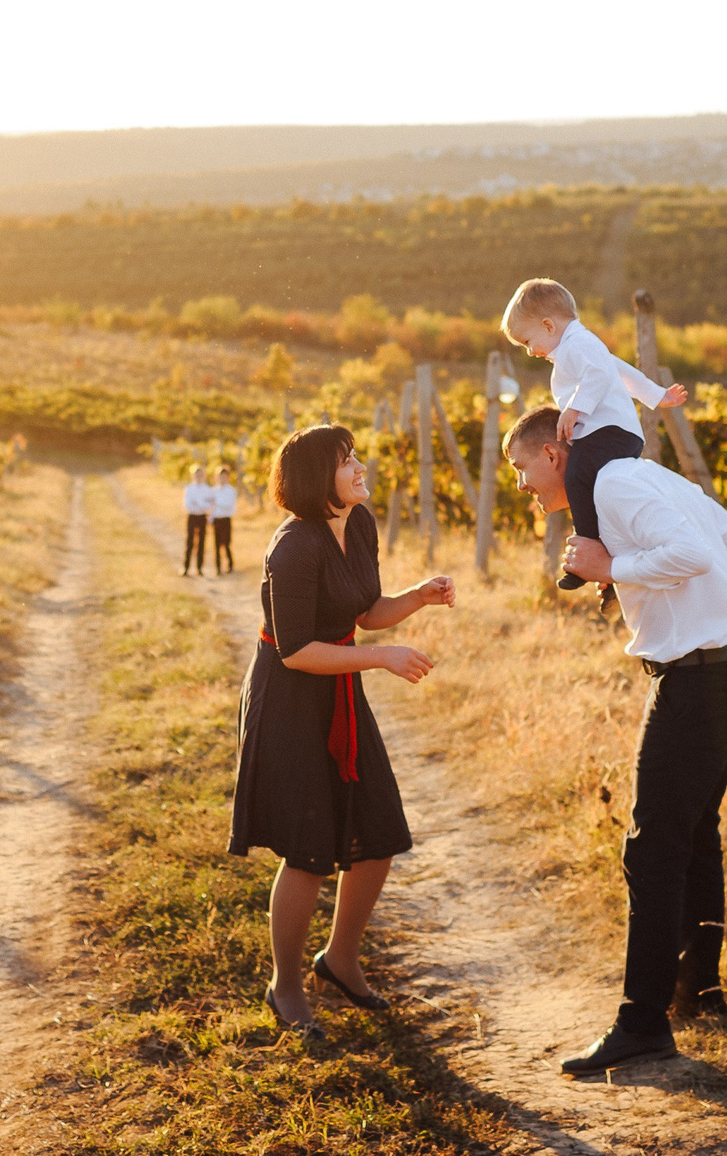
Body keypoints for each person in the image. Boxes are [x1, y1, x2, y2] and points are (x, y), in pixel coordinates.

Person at [500, 404, 727, 1076]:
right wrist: (651, 574)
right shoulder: (643, 475)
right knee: (695, 832)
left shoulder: (614, 483)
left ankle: (642, 1024)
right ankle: (700, 996)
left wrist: (613, 567)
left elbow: (702, 552)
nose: (522, 485)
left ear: (553, 455)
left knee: (652, 851)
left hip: (698, 682)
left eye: (522, 468)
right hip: (722, 669)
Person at [230, 425, 454, 1034]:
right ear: (313, 479)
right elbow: (297, 650)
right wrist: (381, 658)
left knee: (377, 832)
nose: (359, 467)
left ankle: (341, 959)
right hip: (290, 699)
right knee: (308, 852)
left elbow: (362, 611)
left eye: (355, 456)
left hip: (339, 692)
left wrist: (419, 597)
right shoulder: (292, 549)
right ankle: (286, 986)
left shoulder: (358, 524)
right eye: (345, 460)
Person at [499, 279, 687, 593]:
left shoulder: (578, 344)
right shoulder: (576, 348)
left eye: (528, 342)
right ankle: (609, 561)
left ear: (548, 325)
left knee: (576, 479)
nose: (530, 352)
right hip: (611, 432)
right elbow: (621, 371)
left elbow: (600, 373)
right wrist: (655, 395)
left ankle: (585, 552)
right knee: (597, 494)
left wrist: (574, 409)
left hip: (609, 433)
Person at [209, 462, 240, 573]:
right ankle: (218, 568)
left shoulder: (231, 491)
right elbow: (211, 507)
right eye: (220, 476)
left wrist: (217, 502)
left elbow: (229, 506)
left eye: (224, 476)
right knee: (216, 545)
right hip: (216, 520)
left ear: (228, 477)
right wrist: (210, 518)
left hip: (226, 520)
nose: (222, 478)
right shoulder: (213, 491)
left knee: (226, 543)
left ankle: (230, 566)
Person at [181, 463, 212, 576]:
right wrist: (201, 504)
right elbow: (187, 505)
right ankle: (186, 567)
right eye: (196, 474)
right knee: (189, 542)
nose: (199, 476)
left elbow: (209, 505)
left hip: (202, 517)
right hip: (192, 516)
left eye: (200, 474)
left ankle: (200, 568)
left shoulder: (207, 489)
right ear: (193, 475)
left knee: (201, 543)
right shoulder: (189, 488)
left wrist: (198, 504)